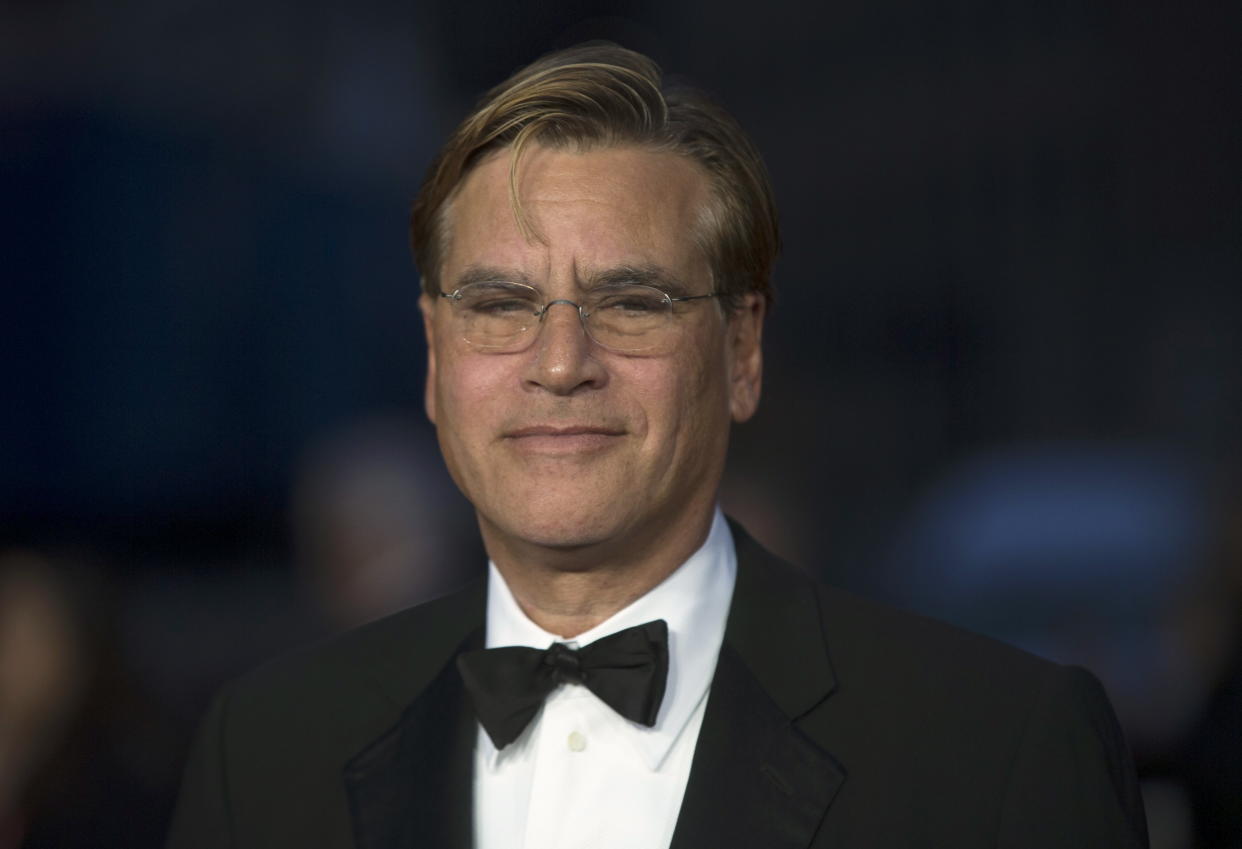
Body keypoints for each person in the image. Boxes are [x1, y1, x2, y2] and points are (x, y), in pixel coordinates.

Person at [166, 43, 1149, 849]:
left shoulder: (995, 752)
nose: (559, 363)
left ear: (742, 351)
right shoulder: (262, 755)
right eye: (501, 305)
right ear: (434, 359)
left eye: (632, 303)